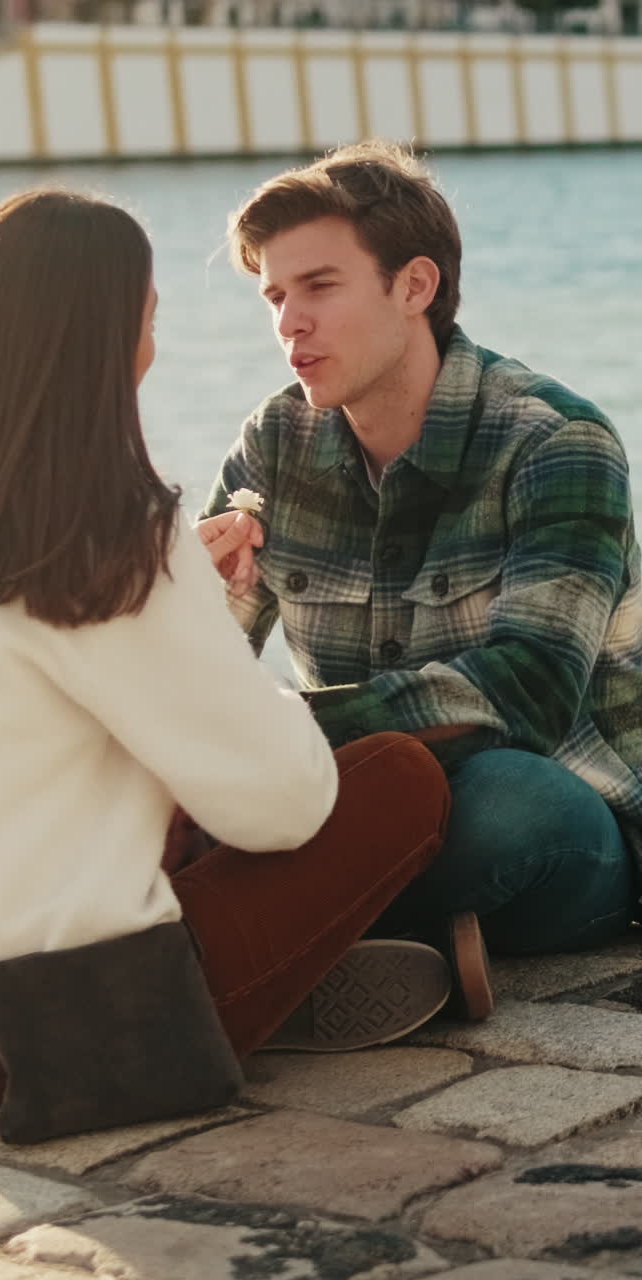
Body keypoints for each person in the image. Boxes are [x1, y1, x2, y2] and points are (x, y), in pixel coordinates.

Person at [0, 188, 482, 1112]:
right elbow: (283, 805)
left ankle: (280, 989)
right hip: (59, 1022)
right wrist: (199, 617)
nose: (154, 349)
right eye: (147, 321)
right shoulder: (105, 539)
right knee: (397, 778)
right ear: (102, 340)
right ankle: (262, 995)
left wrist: (195, 611)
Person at [202, 139, 642, 961]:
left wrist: (292, 730)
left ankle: (272, 941)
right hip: (352, 802)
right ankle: (388, 946)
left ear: (415, 286)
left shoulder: (555, 442)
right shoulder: (273, 444)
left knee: (506, 808)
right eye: (273, 296)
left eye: (319, 287)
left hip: (565, 808)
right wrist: (183, 595)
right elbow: (198, 675)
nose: (289, 322)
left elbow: (531, 692)